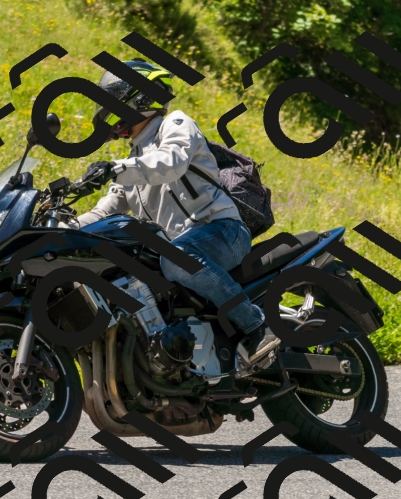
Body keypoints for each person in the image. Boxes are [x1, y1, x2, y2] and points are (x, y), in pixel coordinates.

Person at [75, 59, 279, 360]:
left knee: (175, 258)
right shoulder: (133, 159)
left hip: (222, 231)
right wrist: (61, 228)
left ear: (139, 98)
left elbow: (170, 162)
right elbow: (104, 211)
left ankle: (258, 325)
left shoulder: (176, 125)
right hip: (179, 249)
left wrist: (115, 168)